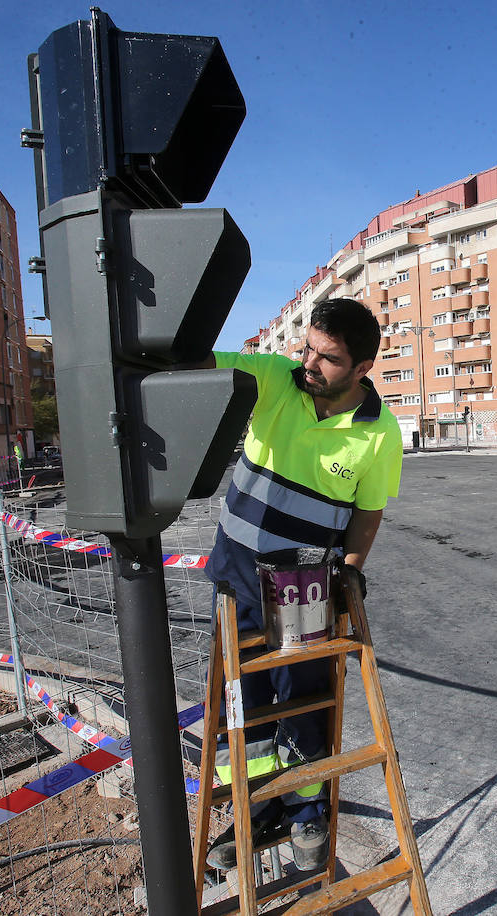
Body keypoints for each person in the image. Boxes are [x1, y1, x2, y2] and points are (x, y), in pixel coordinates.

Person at [201, 298, 402, 873]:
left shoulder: (379, 434)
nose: (309, 363)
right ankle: (250, 812)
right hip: (237, 584)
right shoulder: (275, 381)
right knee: (242, 706)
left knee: (305, 705)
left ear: (362, 367)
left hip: (305, 595)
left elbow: (367, 512)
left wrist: (353, 568)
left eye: (328, 358)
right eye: (308, 348)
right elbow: (202, 362)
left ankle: (307, 812)